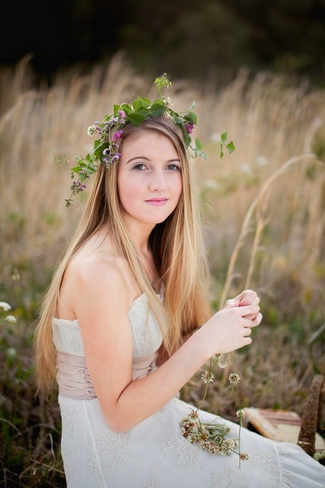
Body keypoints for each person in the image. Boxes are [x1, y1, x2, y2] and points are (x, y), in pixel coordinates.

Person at [34, 75, 325, 487]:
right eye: (140, 166)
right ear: (110, 174)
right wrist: (206, 344)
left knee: (284, 471)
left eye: (172, 167)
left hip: (157, 422)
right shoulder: (98, 271)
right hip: (114, 457)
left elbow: (154, 368)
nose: (161, 183)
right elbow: (117, 414)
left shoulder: (152, 249)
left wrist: (220, 324)